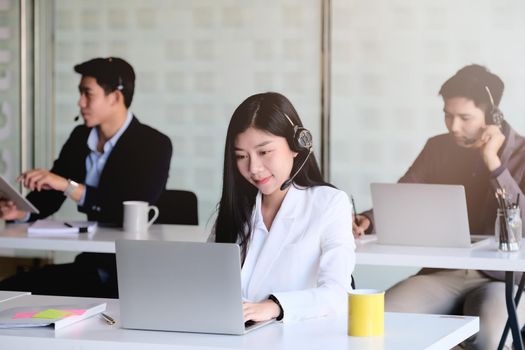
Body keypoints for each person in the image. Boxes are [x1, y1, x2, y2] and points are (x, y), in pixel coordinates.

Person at [354, 64, 525, 349]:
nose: (453, 126)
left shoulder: (522, 154)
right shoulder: (438, 148)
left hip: (503, 281)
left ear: (493, 116)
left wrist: (493, 162)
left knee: (494, 337)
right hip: (443, 273)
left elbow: (521, 222)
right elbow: (403, 196)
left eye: (464, 118)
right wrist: (369, 220)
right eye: (448, 115)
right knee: (378, 321)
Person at [0, 57, 172, 298]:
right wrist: (22, 212)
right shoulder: (81, 137)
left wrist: (67, 186)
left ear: (115, 97)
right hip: (92, 265)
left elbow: (131, 205)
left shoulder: (154, 144)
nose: (80, 103)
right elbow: (51, 195)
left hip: (136, 272)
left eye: (87, 94)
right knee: (9, 291)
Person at [210, 92, 355, 323]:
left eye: (264, 152)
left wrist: (275, 306)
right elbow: (208, 283)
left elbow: (339, 295)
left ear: (297, 145)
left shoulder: (329, 204)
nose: (254, 167)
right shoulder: (235, 209)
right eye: (241, 156)